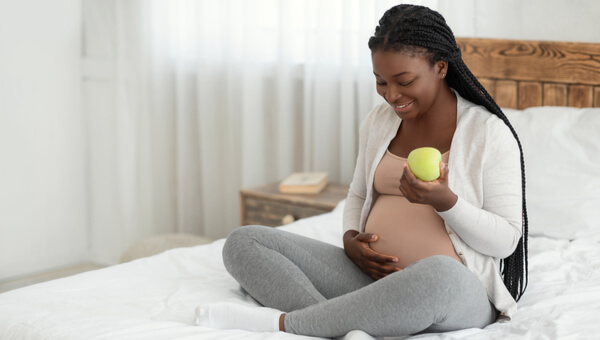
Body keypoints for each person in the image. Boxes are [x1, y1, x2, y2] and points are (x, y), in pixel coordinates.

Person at [196, 4, 528, 338]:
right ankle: (341, 325)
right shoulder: (378, 122)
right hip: (369, 278)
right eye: (381, 82)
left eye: (404, 81)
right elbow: (357, 193)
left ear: (440, 68)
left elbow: (506, 241)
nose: (392, 95)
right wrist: (350, 239)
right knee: (244, 242)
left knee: (439, 275)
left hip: (453, 288)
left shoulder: (488, 134)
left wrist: (446, 202)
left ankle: (291, 325)